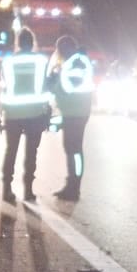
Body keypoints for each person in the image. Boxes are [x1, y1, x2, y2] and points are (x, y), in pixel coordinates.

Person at [0, 27, 53, 202]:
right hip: (35, 113)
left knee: (10, 151)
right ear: (32, 42)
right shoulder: (42, 61)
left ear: (18, 43)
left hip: (12, 113)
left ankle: (6, 189)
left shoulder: (8, 62)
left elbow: (3, 86)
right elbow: (46, 85)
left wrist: (0, 112)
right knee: (31, 153)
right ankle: (28, 190)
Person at [50, 36, 94, 200]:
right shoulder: (73, 61)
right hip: (73, 112)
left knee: (74, 150)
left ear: (66, 47)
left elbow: (72, 85)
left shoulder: (77, 62)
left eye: (60, 49)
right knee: (71, 149)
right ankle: (71, 185)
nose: (59, 53)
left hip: (77, 112)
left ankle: (74, 188)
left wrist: (55, 84)